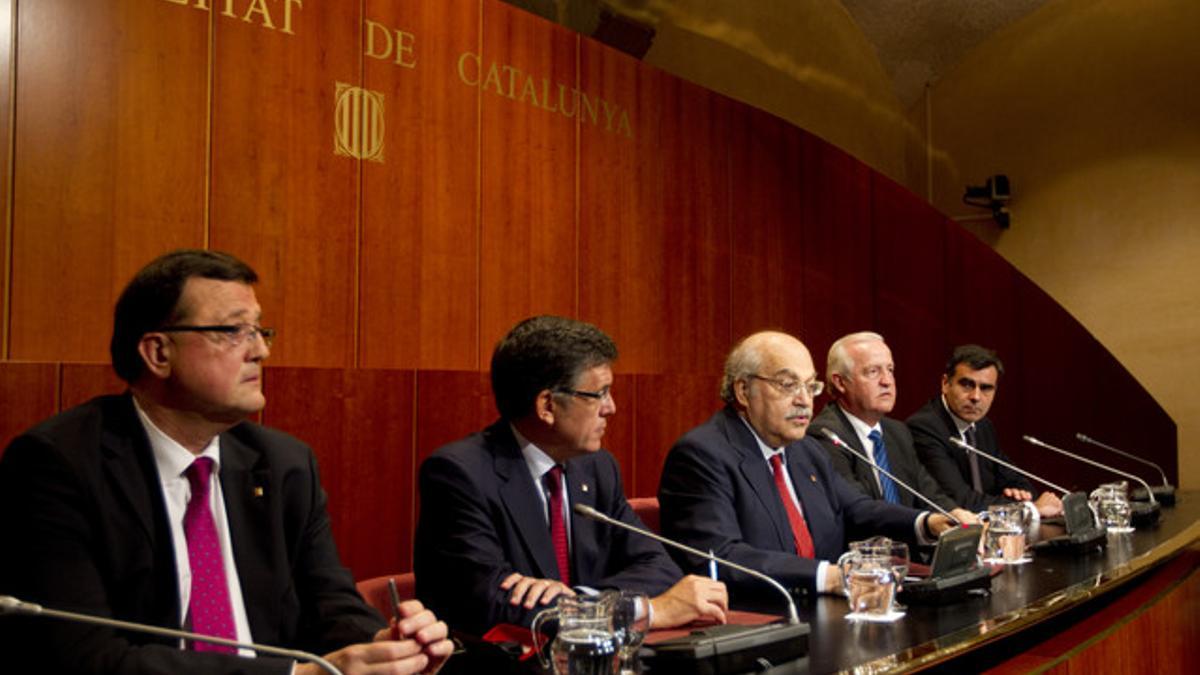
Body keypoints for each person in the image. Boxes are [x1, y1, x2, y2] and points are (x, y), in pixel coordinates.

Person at [0, 250, 451, 675]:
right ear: (159, 352)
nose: (260, 351)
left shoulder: (283, 463)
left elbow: (329, 603)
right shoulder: (59, 464)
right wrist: (297, 674)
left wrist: (384, 647)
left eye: (260, 331)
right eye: (234, 331)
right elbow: (84, 656)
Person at [415, 316, 727, 637]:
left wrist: (580, 600)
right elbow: (490, 604)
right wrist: (643, 611)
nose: (611, 408)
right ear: (547, 405)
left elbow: (659, 567)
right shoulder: (460, 474)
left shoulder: (598, 468)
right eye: (600, 393)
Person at [657, 331, 956, 602]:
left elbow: (856, 508)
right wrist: (829, 577)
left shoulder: (805, 449)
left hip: (830, 611)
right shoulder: (702, 455)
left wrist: (927, 523)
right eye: (787, 385)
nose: (804, 400)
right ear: (743, 391)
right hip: (761, 620)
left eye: (809, 385)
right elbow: (721, 557)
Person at [809, 332, 975, 523]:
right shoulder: (826, 436)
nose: (887, 381)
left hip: (909, 547)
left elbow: (928, 493)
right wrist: (924, 524)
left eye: (890, 370)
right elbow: (859, 510)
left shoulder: (897, 432)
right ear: (840, 382)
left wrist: (954, 513)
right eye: (873, 371)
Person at [907, 345, 1062, 516]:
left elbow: (1018, 481)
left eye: (986, 388)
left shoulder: (983, 427)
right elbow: (961, 500)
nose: (976, 397)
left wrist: (1022, 496)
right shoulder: (925, 427)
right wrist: (1027, 508)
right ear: (945, 384)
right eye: (967, 385)